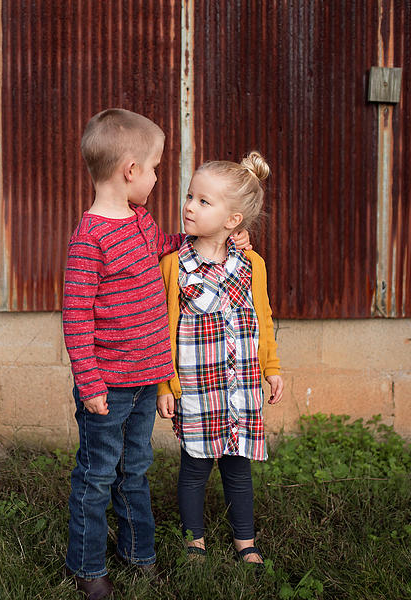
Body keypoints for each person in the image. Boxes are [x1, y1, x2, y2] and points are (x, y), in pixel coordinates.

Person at [62, 109, 249, 599]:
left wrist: (213, 237)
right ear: (130, 171)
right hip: (107, 386)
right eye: (154, 168)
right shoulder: (90, 238)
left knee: (136, 468)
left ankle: (138, 553)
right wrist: (91, 385)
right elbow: (77, 318)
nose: (158, 176)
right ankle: (86, 566)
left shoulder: (140, 221)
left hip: (147, 378)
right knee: (98, 473)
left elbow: (166, 247)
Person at [156, 152, 284, 569]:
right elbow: (164, 330)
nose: (189, 206)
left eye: (203, 202)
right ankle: (194, 541)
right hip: (196, 390)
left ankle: (245, 541)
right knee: (194, 469)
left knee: (238, 469)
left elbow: (262, 318)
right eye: (190, 196)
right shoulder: (174, 267)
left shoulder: (253, 266)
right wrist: (164, 384)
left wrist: (272, 368)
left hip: (240, 387)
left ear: (233, 221)